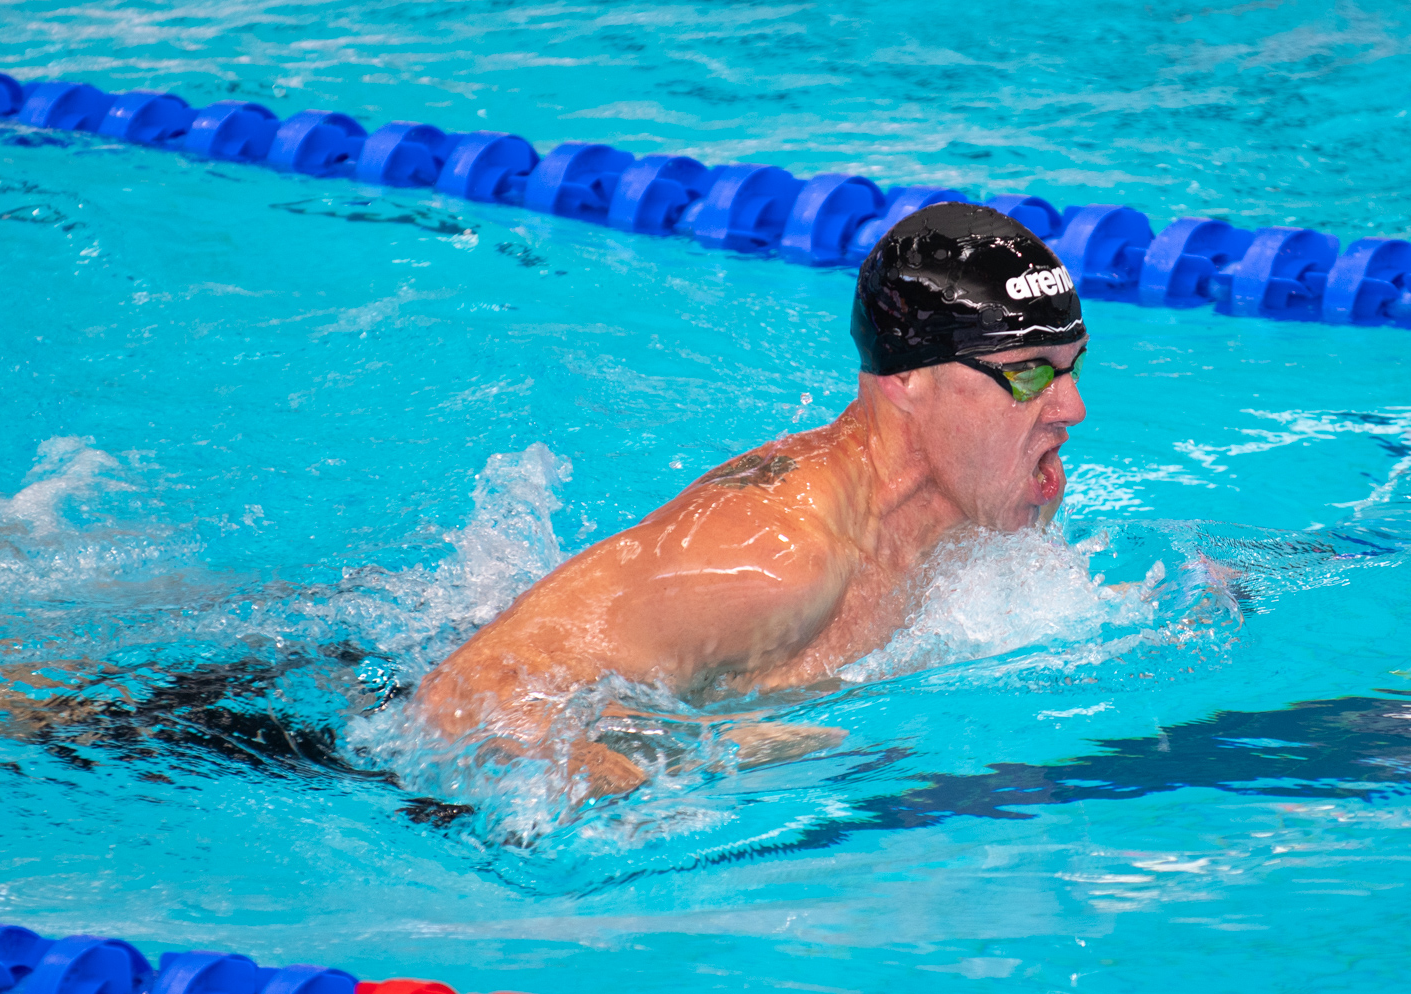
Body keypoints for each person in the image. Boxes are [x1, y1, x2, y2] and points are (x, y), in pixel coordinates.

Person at [413, 202, 1088, 798]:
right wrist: (653, 780)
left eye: (1072, 368)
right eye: (1028, 375)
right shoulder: (774, 556)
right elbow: (461, 698)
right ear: (907, 379)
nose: (1071, 408)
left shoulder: (991, 504)